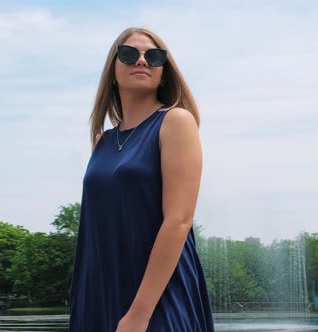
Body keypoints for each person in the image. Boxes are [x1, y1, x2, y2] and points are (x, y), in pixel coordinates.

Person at [68, 27, 215, 332]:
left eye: (154, 56)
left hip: (158, 297)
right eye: (129, 54)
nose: (142, 61)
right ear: (113, 70)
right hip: (101, 295)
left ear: (164, 71)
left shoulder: (175, 122)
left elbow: (178, 221)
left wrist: (140, 313)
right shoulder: (103, 142)